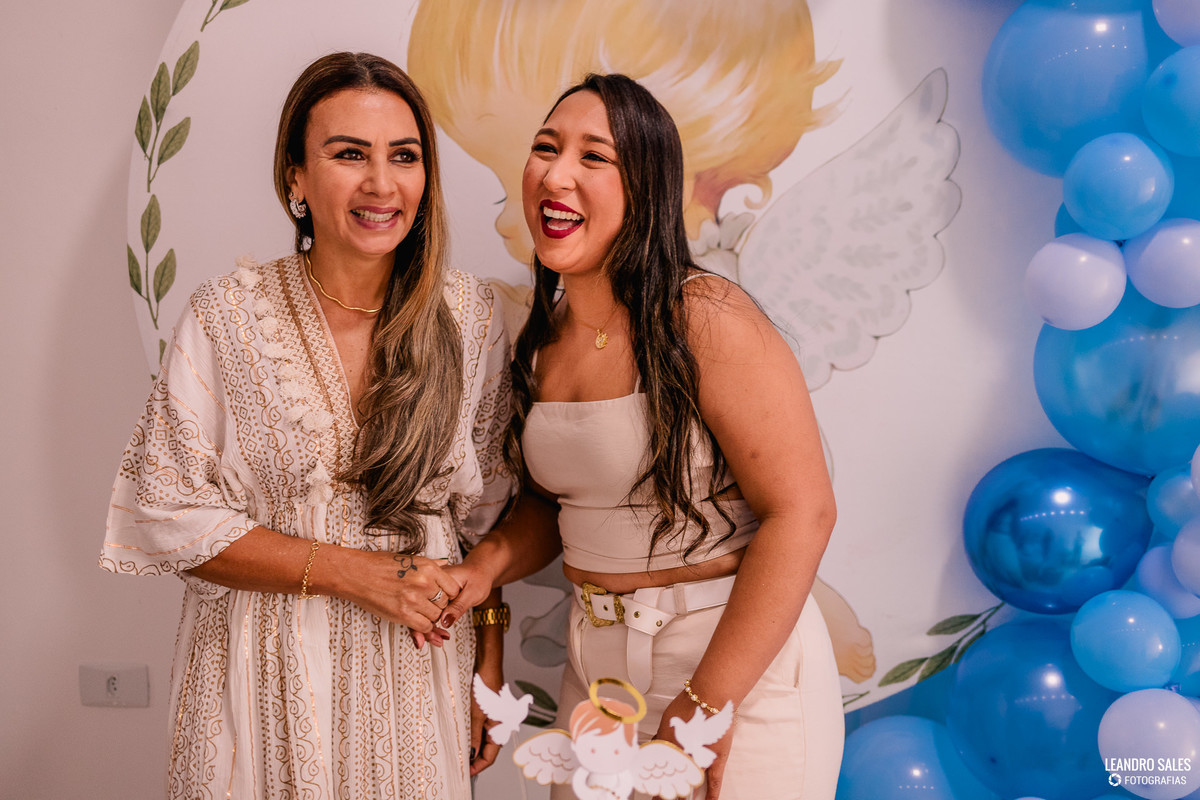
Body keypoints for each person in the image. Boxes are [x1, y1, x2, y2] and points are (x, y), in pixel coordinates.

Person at [101, 52, 513, 798]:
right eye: (348, 154)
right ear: (295, 177)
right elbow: (167, 517)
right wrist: (360, 574)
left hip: (416, 680)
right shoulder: (226, 316)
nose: (381, 184)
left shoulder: (472, 317)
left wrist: (490, 646)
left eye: (404, 157)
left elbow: (486, 520)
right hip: (258, 676)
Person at [444, 73, 844, 799]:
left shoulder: (704, 316)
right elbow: (552, 506)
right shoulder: (538, 340)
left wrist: (708, 703)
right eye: (545, 148)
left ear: (647, 189)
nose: (556, 173)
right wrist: (485, 570)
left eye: (594, 157)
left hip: (730, 670)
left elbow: (804, 512)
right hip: (595, 679)